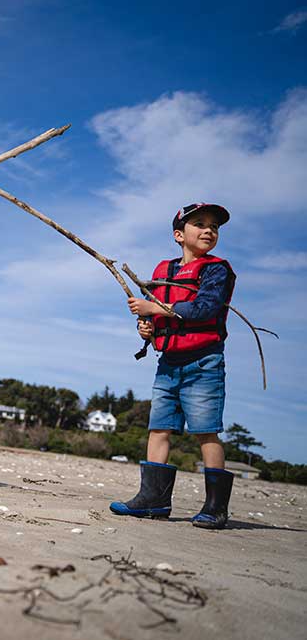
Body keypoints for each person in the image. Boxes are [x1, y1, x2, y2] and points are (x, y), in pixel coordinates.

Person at [110, 203, 237, 529]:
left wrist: (155, 307)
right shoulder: (164, 270)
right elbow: (153, 317)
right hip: (168, 362)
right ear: (179, 234)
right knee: (159, 428)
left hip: (204, 361)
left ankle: (215, 507)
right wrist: (146, 326)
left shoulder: (216, 270)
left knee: (206, 431)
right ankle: (153, 500)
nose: (209, 230)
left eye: (214, 226)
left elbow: (205, 308)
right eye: (200, 224)